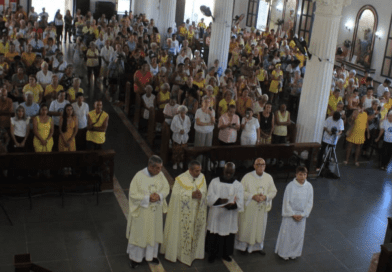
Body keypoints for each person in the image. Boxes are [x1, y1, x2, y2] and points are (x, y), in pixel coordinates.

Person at [126, 155, 170, 268]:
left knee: (154, 233)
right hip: (142, 213)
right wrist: (148, 198)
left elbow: (166, 188)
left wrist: (159, 196)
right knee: (141, 234)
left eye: (161, 168)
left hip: (155, 213)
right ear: (151, 166)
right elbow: (132, 194)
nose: (160, 171)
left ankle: (151, 256)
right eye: (158, 168)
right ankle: (135, 258)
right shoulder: (139, 176)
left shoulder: (160, 175)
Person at [160, 160, 207, 266]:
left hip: (196, 212)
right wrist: (191, 195)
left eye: (199, 170)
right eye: (196, 171)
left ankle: (195, 253)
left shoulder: (202, 177)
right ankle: (179, 254)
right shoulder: (180, 179)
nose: (198, 173)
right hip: (182, 214)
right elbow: (175, 196)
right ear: (190, 170)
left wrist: (201, 194)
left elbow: (204, 191)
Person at [235, 158, 277, 254]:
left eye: (263, 164)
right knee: (247, 226)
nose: (261, 166)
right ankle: (243, 246)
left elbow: (273, 191)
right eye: (258, 164)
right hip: (249, 208)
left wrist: (265, 197)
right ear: (254, 165)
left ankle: (257, 247)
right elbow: (240, 191)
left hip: (261, 209)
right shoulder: (247, 177)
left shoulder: (268, 177)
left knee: (259, 228)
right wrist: (252, 196)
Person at [206, 162, 244, 263]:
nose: (228, 175)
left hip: (229, 215)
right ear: (223, 170)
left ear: (234, 172)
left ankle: (225, 254)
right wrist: (219, 200)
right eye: (227, 172)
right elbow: (209, 197)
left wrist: (232, 205)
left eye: (230, 173)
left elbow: (241, 202)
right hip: (216, 214)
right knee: (214, 235)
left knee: (228, 236)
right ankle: (212, 254)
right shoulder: (215, 182)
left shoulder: (238, 185)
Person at [275, 166, 313, 260]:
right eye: (300, 174)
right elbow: (286, 201)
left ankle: (294, 253)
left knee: (298, 236)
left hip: (301, 215)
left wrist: (303, 214)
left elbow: (310, 202)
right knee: (287, 235)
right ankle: (284, 253)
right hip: (290, 215)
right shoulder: (290, 186)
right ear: (296, 175)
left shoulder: (309, 187)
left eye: (305, 174)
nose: (303, 177)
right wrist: (292, 214)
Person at [194, 96, 215, 162]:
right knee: (199, 150)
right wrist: (207, 124)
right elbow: (198, 122)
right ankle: (198, 164)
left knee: (207, 149)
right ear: (202, 102)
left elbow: (213, 122)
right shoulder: (198, 111)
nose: (207, 103)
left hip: (209, 132)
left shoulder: (212, 111)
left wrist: (211, 114)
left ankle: (206, 165)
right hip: (200, 132)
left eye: (208, 102)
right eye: (205, 101)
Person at [170, 105, 191, 170]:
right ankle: (175, 163)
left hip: (184, 138)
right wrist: (179, 131)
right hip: (177, 137)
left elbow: (188, 127)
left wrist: (184, 131)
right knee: (176, 151)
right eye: (181, 112)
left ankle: (181, 162)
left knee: (182, 151)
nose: (183, 113)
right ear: (179, 112)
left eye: (184, 112)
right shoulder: (175, 118)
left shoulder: (187, 118)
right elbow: (172, 127)